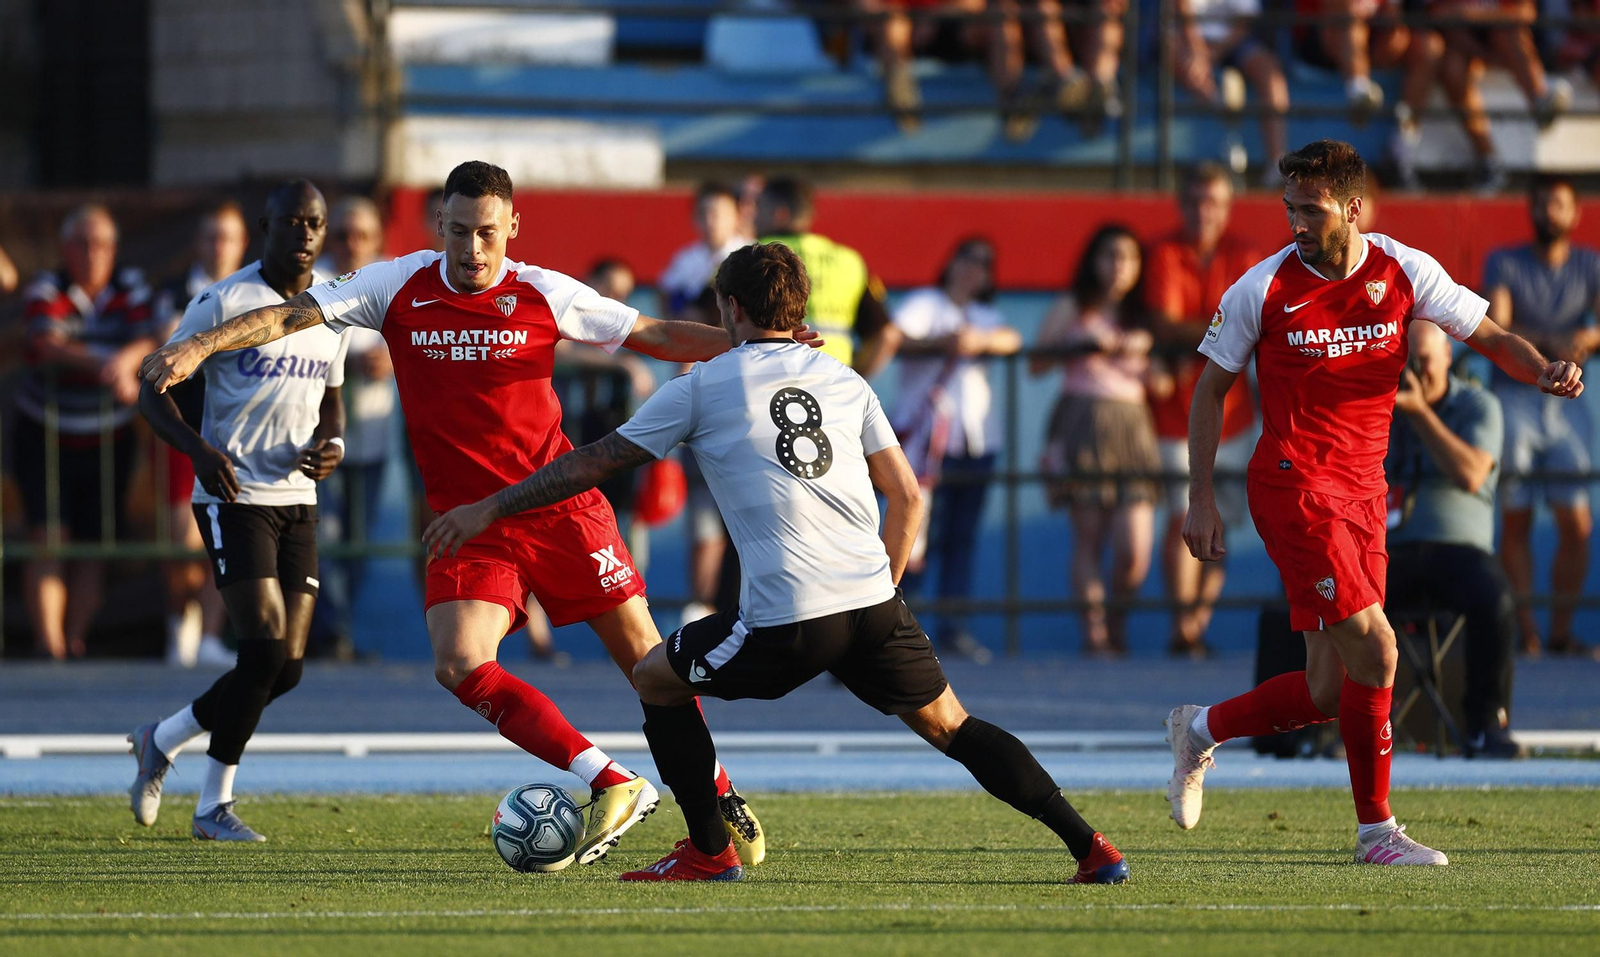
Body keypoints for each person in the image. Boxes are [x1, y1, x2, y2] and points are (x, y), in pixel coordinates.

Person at [423, 242, 1132, 885]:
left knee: (653, 678)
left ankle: (707, 849)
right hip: (874, 604)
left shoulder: (703, 385)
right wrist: (883, 586)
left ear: (730, 308)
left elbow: (589, 463)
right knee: (952, 724)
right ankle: (1092, 846)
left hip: (790, 619)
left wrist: (488, 508)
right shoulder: (844, 377)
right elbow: (909, 497)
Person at [140, 160, 772, 867]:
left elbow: (651, 333)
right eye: (461, 232)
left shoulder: (541, 291)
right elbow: (291, 314)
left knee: (648, 664)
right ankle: (610, 778)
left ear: (513, 229)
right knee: (459, 661)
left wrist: (754, 343)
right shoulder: (395, 284)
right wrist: (199, 343)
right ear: (439, 224)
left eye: (488, 235)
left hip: (560, 507)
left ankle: (717, 796)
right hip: (468, 521)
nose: (473, 250)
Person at [1167, 139, 1583, 866]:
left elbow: (1486, 335)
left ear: (1353, 207)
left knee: (1332, 687)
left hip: (1364, 492)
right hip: (1294, 486)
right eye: (1289, 207)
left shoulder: (1402, 268)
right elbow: (1210, 389)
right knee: (1381, 646)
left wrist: (1541, 368)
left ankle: (1199, 728)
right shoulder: (1260, 288)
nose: (1297, 221)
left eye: (1312, 208)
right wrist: (1200, 497)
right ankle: (1377, 833)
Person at [127, 180, 349, 841]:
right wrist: (196, 449)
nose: (305, 233)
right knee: (262, 648)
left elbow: (331, 395)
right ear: (266, 226)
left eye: (315, 223)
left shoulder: (333, 302)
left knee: (287, 666)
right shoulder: (224, 301)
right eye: (292, 221)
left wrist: (332, 441)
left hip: (297, 498)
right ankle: (212, 805)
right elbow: (150, 389)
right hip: (235, 495)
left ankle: (161, 737)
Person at [16, 205, 156, 660]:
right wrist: (107, 363)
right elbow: (46, 344)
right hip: (46, 434)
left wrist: (128, 358)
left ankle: (74, 642)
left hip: (108, 436)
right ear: (65, 248)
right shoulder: (46, 286)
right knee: (49, 538)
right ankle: (48, 646)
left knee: (95, 543)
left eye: (101, 244)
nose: (92, 254)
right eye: (82, 244)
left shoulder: (129, 286)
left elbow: (151, 335)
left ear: (114, 250)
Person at [1386, 320, 1522, 758]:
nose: (1417, 372)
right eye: (1409, 362)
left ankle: (1485, 724)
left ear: (1448, 357)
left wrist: (1419, 413)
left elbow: (1470, 473)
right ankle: (1334, 727)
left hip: (1459, 550)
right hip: (1392, 549)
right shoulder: (1383, 409)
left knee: (1496, 599)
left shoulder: (1479, 406)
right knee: (1332, 597)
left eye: (1425, 361)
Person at [1144, 164, 1260, 658]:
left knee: (1223, 524)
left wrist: (1207, 332)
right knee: (1182, 518)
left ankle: (1196, 622)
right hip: (1176, 413)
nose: (1202, 211)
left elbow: (1253, 325)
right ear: (1180, 203)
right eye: (1194, 201)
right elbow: (1164, 327)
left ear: (1228, 205)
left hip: (1235, 414)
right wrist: (1226, 329)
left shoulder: (1248, 254)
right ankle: (1181, 626)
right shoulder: (1165, 253)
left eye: (1212, 201)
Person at [1481, 176, 1600, 659]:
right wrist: (1556, 346)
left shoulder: (1590, 264)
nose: (1551, 211)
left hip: (1568, 405)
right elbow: (1500, 322)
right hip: (1517, 399)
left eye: (1560, 204)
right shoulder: (1503, 261)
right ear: (1531, 210)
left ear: (1574, 214)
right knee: (1516, 518)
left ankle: (1559, 631)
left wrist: (1585, 342)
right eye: (1543, 203)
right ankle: (1527, 631)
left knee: (1577, 524)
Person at [890, 237, 1021, 664]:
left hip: (976, 440)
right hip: (927, 444)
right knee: (914, 536)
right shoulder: (924, 304)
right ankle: (896, 626)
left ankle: (952, 627)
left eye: (984, 264)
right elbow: (897, 339)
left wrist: (977, 342)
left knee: (961, 536)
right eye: (967, 259)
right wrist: (942, 344)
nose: (973, 270)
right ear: (951, 262)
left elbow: (1011, 339)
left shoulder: (984, 315)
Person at [1034, 226, 1159, 657]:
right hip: (1082, 419)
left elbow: (1162, 384)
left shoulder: (1145, 313)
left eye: (1128, 257)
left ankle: (1118, 620)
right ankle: (1096, 637)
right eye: (1109, 255)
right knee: (1087, 536)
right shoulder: (1073, 306)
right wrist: (1084, 345)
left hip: (1132, 426)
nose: (1118, 266)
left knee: (1134, 549)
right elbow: (1036, 363)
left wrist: (1146, 352)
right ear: (1093, 260)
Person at [153, 200, 250, 667]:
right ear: (197, 242)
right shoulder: (174, 290)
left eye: (227, 237)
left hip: (237, 435)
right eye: (211, 236)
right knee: (182, 544)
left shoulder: (256, 290)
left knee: (227, 538)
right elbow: (171, 347)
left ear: (242, 243)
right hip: (183, 432)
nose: (218, 246)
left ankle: (211, 635)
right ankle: (180, 628)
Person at [308, 196, 397, 658]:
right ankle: (330, 634)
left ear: (376, 239)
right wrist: (350, 362)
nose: (351, 244)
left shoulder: (394, 278)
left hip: (373, 437)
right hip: (323, 432)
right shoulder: (314, 279)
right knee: (327, 536)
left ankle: (338, 628)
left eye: (361, 235)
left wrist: (393, 359)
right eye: (343, 234)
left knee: (360, 542)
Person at [756, 176, 899, 379]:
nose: (752, 216)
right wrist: (855, 380)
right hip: (833, 384)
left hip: (767, 381)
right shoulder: (849, 261)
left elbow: (707, 320)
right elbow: (887, 335)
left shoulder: (750, 256)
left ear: (779, 214)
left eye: (759, 208)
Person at [1425, 0, 1571, 193]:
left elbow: (1525, 12)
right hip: (1459, 43)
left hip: (1501, 41)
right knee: (1453, 69)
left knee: (1508, 33)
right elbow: (1437, 15)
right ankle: (1488, 159)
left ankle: (1539, 100)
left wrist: (1473, 16)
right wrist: (1481, 50)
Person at [1171, 0, 1289, 185]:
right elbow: (1182, 14)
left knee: (1270, 73)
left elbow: (1243, 21)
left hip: (1233, 43)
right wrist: (1197, 51)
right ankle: (1223, 110)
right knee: (1184, 62)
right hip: (1185, 41)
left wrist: (1215, 53)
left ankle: (1276, 162)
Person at [1292, 0, 1443, 129]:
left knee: (1429, 47)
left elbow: (1397, 22)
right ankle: (1359, 92)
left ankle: (1403, 144)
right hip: (1324, 40)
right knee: (1349, 18)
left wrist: (1394, 31)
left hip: (1373, 44)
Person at [659, 182, 750, 325]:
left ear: (737, 217)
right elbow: (666, 294)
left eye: (717, 214)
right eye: (703, 213)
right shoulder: (684, 259)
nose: (710, 221)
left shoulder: (750, 254)